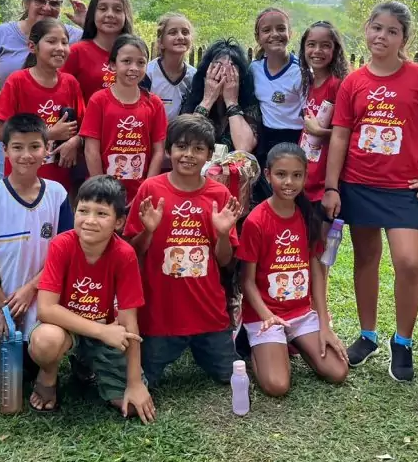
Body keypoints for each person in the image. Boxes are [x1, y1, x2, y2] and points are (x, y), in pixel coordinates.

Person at [322, 1, 418, 377]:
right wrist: (332, 187)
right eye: (376, 28)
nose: (382, 36)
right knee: (366, 259)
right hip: (358, 184)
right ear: (367, 30)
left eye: (392, 31)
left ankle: (403, 341)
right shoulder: (354, 82)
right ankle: (368, 335)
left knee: (409, 262)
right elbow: (339, 136)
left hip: (402, 190)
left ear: (403, 39)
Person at [123, 114, 242, 387]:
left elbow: (225, 260)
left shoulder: (219, 195)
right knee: (146, 379)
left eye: (198, 149)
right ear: (168, 150)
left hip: (209, 314)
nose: (188, 155)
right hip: (160, 316)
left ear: (209, 155)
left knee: (229, 376)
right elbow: (132, 252)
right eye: (181, 146)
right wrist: (149, 230)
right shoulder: (151, 189)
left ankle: (207, 347)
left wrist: (223, 233)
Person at [27, 176, 155, 422]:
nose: (90, 221)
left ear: (118, 222)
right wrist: (101, 331)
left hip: (106, 331)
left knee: (126, 406)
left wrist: (135, 382)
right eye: (83, 211)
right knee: (45, 340)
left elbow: (130, 323)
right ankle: (48, 374)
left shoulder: (124, 255)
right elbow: (45, 309)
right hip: (66, 329)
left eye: (101, 213)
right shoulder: (61, 245)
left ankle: (86, 365)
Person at [0, 113, 74, 393]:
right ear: (4, 151)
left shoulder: (58, 194)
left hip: (44, 298)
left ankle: (55, 366)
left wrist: (30, 290)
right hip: (1, 303)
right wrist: (5, 306)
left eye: (34, 147)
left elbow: (64, 255)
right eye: (17, 147)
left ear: (47, 149)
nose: (26, 155)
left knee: (41, 353)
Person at [238, 143, 349, 396]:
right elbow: (247, 282)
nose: (289, 182)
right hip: (266, 315)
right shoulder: (256, 221)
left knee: (338, 371)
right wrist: (267, 315)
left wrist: (324, 324)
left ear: (305, 176)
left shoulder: (307, 216)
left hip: (299, 312)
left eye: (297, 175)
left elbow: (316, 274)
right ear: (268, 175)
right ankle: (255, 347)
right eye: (281, 174)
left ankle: (292, 343)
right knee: (278, 387)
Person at [0, 0, 87, 177]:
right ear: (27, 2)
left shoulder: (73, 36)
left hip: (58, 151)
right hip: (14, 133)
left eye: (55, 3)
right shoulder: (2, 34)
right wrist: (15, 102)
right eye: (40, 0)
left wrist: (86, 24)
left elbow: (114, 53)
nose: (47, 7)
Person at [0, 17, 85, 192]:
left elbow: (86, 129)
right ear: (32, 47)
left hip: (60, 185)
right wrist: (48, 134)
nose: (60, 48)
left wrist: (74, 142)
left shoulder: (71, 83)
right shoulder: (17, 82)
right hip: (22, 183)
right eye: (51, 41)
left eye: (65, 42)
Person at [80, 35, 167, 204]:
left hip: (141, 193)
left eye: (141, 62)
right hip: (103, 193)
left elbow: (158, 151)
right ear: (113, 65)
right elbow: (91, 150)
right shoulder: (99, 100)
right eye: (126, 61)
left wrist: (146, 189)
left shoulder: (154, 103)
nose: (134, 68)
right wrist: (102, 190)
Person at [296, 21, 350, 205]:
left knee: (323, 232)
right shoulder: (307, 83)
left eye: (325, 45)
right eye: (311, 44)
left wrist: (319, 132)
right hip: (307, 173)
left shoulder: (338, 85)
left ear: (335, 50)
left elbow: (348, 134)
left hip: (326, 179)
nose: (317, 50)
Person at [181, 39, 260, 155]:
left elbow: (244, 148)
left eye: (231, 68)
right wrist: (208, 100)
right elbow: (184, 141)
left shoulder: (249, 102)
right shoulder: (193, 98)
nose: (224, 73)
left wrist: (232, 102)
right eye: (217, 66)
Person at [250, 8, 304, 175]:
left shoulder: (301, 72)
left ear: (290, 33)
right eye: (267, 30)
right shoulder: (254, 69)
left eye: (281, 28)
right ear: (258, 37)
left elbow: (310, 112)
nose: (274, 34)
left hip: (295, 139)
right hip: (265, 139)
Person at [62, 0, 134, 104]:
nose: (110, 14)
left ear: (126, 15)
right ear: (93, 13)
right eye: (103, 8)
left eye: (117, 9)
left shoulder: (134, 54)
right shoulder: (76, 52)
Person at [143, 12, 197, 124]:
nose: (181, 37)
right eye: (173, 33)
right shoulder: (148, 73)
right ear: (161, 42)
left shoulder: (194, 76)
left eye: (185, 32)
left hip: (181, 136)